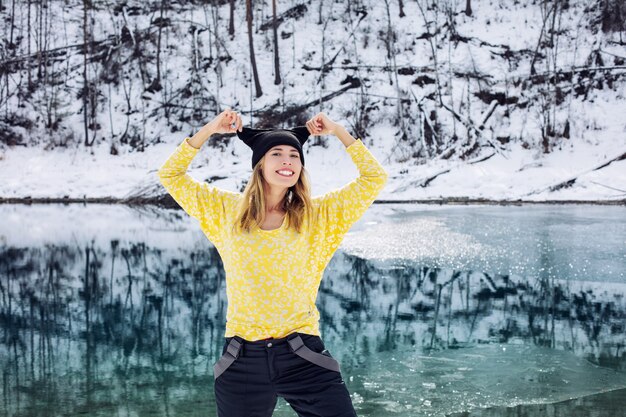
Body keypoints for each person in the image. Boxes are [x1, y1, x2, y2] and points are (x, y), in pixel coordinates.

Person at [157, 109, 388, 417]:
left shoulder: (318, 217)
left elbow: (374, 178)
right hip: (242, 357)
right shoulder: (226, 212)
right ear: (259, 165)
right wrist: (210, 129)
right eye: (277, 153)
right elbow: (170, 175)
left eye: (294, 155)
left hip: (302, 352)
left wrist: (339, 132)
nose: (287, 161)